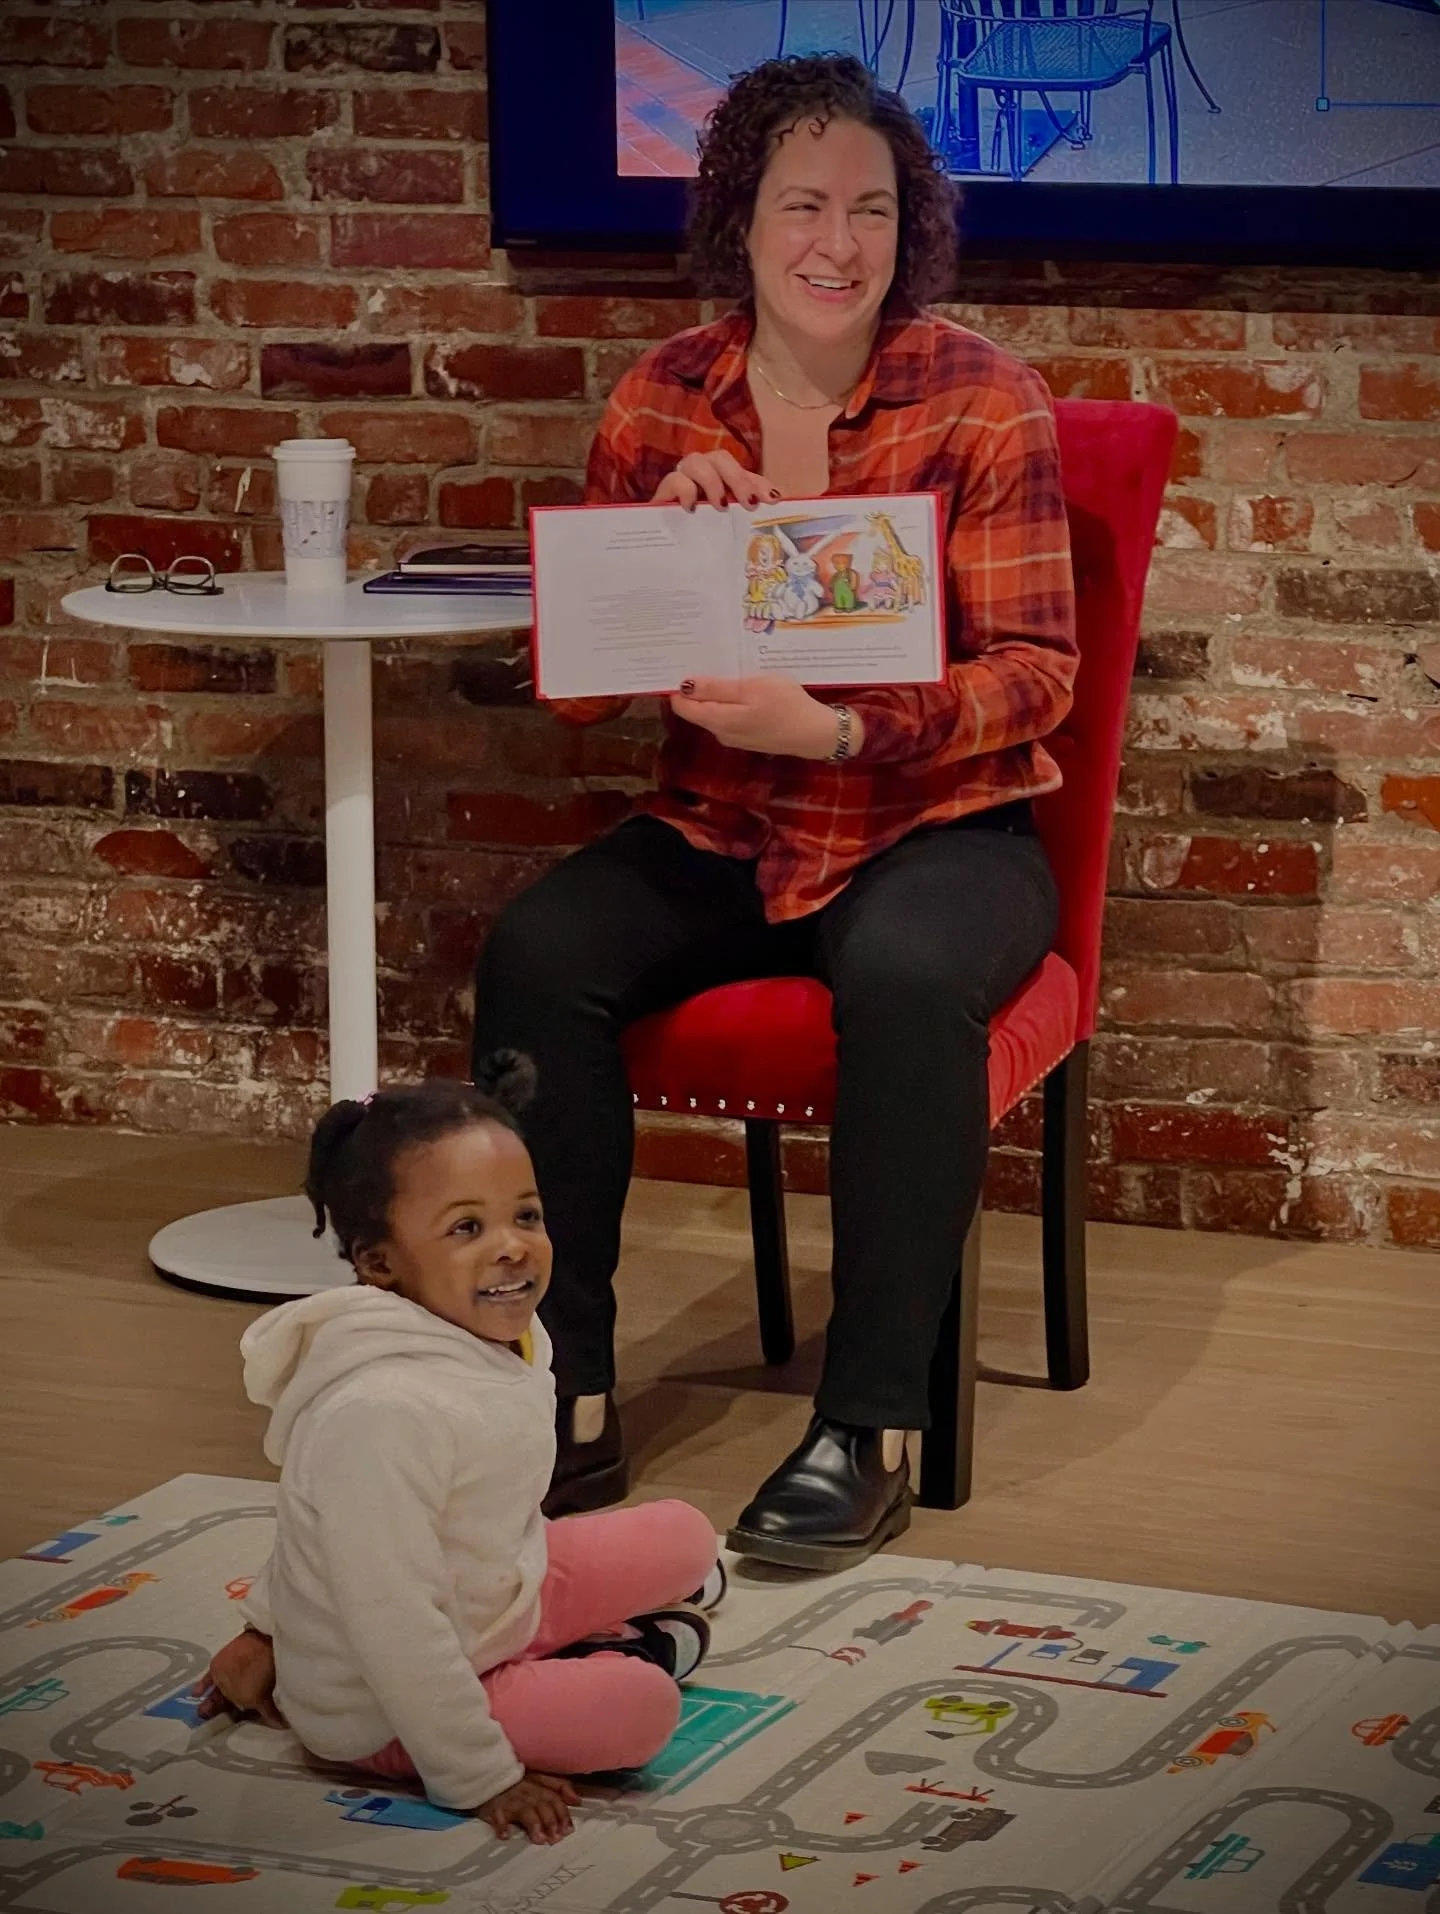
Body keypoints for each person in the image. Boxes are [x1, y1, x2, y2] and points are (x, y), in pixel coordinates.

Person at [472, 53, 1077, 1570]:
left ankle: (866, 1424)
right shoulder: (661, 397)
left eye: (871, 208)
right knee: (541, 950)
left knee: (908, 973)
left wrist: (843, 723)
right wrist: (648, 556)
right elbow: (581, 697)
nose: (836, 240)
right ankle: (571, 1392)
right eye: (802, 202)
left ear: (909, 229)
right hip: (725, 825)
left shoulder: (982, 396)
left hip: (945, 826)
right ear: (739, 219)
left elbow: (1037, 675)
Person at [197, 1062, 721, 1845]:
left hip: (492, 1592)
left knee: (685, 1534)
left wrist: (261, 1632)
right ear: (379, 1264)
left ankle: (604, 1636)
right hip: (384, 1694)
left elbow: (340, 1526)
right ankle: (625, 1652)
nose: (513, 1248)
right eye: (467, 1228)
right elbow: (387, 1612)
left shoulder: (498, 1335)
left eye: (527, 1216)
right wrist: (479, 1775)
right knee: (640, 1712)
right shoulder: (380, 1412)